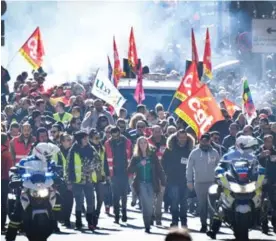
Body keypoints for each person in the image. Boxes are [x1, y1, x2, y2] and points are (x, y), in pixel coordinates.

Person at [6, 142, 61, 241]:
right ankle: (10, 237)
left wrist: (58, 178)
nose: (49, 157)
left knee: (58, 197)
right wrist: (14, 178)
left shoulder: (49, 162)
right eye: (47, 155)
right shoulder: (25, 161)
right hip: (28, 187)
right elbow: (16, 170)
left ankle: (55, 219)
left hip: (43, 187)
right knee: (17, 212)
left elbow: (54, 171)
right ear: (40, 153)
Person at [207, 135, 259, 239]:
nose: (252, 150)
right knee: (219, 198)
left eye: (252, 148)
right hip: (232, 182)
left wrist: (261, 173)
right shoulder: (229, 155)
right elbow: (220, 165)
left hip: (248, 182)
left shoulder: (253, 157)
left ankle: (263, 219)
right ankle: (214, 228)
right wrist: (219, 171)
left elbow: (259, 167)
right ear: (240, 146)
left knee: (263, 193)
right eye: (249, 147)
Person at [128, 136, 166, 233]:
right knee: (145, 204)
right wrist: (140, 164)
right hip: (141, 183)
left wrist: (163, 182)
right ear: (138, 145)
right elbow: (129, 170)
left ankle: (150, 217)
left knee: (151, 203)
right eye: (141, 143)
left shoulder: (152, 155)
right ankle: (147, 225)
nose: (143, 145)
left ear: (147, 144)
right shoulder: (136, 156)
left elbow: (159, 168)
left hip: (152, 183)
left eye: (145, 142)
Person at [67, 131, 102, 231]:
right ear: (79, 140)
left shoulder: (91, 149)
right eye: (84, 138)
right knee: (78, 202)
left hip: (88, 179)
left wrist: (91, 167)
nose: (86, 140)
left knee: (90, 201)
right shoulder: (73, 150)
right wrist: (68, 181)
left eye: (87, 138)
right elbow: (68, 166)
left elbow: (98, 162)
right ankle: (78, 222)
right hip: (77, 180)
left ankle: (90, 222)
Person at [186, 133, 220, 233]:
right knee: (202, 205)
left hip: (212, 183)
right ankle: (203, 224)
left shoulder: (215, 152)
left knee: (212, 206)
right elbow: (189, 168)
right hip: (199, 183)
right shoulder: (194, 152)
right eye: (203, 140)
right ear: (200, 141)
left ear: (210, 141)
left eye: (207, 140)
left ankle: (212, 225)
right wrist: (189, 181)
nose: (205, 142)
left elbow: (219, 167)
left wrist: (219, 180)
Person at [162, 129, 195, 227]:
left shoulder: (190, 150)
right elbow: (164, 162)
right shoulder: (170, 148)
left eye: (184, 137)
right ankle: (174, 221)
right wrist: (168, 172)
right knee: (174, 202)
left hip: (185, 180)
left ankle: (184, 222)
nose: (182, 139)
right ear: (177, 137)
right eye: (180, 137)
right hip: (173, 180)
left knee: (184, 203)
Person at [104, 126, 132, 224]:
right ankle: (116, 215)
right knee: (115, 195)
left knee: (124, 194)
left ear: (120, 133)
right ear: (111, 135)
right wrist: (107, 173)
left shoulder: (127, 142)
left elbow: (131, 157)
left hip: (124, 172)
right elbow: (105, 160)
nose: (115, 138)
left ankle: (124, 212)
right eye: (113, 136)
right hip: (114, 172)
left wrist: (131, 171)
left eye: (117, 135)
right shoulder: (108, 143)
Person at [147, 125, 167, 226]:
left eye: (159, 131)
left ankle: (158, 217)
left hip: (162, 174)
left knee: (160, 196)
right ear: (152, 132)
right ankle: (150, 216)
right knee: (150, 196)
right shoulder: (147, 142)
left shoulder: (167, 142)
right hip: (150, 173)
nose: (158, 133)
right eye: (156, 131)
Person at [257, 134, 276, 234]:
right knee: (262, 204)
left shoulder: (274, 151)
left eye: (270, 141)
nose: (269, 143)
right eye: (267, 141)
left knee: (274, 203)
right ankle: (264, 224)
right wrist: (261, 156)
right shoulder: (259, 150)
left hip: (272, 181)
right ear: (264, 142)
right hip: (260, 181)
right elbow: (253, 160)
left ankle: (274, 222)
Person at [89, 129, 108, 226]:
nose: (98, 140)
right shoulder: (88, 148)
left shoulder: (101, 148)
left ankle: (97, 213)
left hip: (100, 176)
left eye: (99, 138)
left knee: (100, 197)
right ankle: (92, 217)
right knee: (91, 199)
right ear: (91, 139)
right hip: (90, 177)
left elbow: (104, 162)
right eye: (96, 138)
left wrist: (106, 174)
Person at [59, 133, 74, 228]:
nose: (69, 142)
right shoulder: (57, 151)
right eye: (67, 140)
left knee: (69, 200)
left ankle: (67, 219)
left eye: (70, 140)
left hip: (70, 179)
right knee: (61, 200)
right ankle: (61, 217)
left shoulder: (73, 151)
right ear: (62, 142)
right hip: (59, 179)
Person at [1, 133, 13, 233]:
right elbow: (9, 169)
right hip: (4, 181)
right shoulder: (6, 153)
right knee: (3, 204)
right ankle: (1, 226)